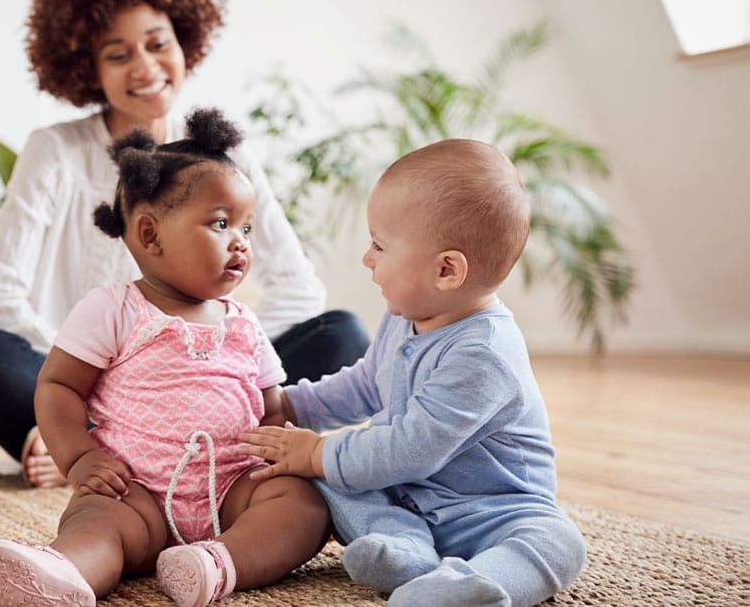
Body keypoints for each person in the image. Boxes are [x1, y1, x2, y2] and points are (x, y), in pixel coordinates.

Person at [0, 0, 369, 489]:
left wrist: (213, 359)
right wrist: (103, 368)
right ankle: (75, 438)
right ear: (88, 68)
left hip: (209, 383)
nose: (146, 67)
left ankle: (100, 443)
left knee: (340, 333)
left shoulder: (223, 156)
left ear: (184, 41)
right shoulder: (53, 150)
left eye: (157, 44)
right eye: (118, 54)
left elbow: (299, 292)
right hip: (87, 383)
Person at [0, 110, 331, 607]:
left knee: (303, 505)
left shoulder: (244, 322)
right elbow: (58, 386)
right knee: (97, 518)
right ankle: (61, 572)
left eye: (246, 228)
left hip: (233, 490)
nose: (241, 242)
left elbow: (272, 409)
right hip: (134, 489)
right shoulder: (113, 309)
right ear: (150, 234)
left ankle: (217, 564)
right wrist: (79, 457)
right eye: (221, 223)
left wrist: (286, 452)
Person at [240, 139, 587, 606]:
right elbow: (366, 383)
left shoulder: (483, 353)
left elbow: (410, 448)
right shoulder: (404, 317)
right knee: (317, 477)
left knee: (557, 542)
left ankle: (470, 589)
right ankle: (403, 549)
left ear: (447, 270)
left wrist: (317, 452)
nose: (367, 258)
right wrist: (293, 405)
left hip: (491, 511)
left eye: (379, 246)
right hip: (406, 496)